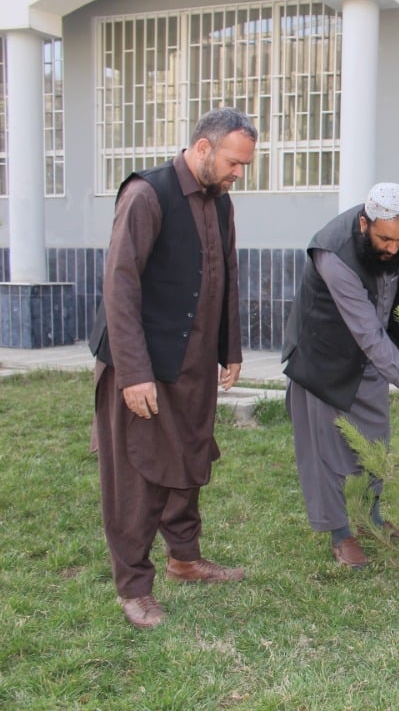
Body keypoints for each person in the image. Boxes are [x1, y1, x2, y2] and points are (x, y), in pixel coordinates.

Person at [89, 107, 257, 629]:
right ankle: (134, 588)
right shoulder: (146, 194)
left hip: (193, 362)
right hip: (142, 362)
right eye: (234, 162)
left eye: (245, 165)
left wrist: (230, 347)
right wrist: (134, 373)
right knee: (136, 474)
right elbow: (120, 286)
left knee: (189, 458)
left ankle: (185, 559)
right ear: (203, 149)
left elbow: (225, 274)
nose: (239, 174)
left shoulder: (220, 203)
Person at [282, 182, 399, 569]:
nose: (393, 248)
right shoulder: (334, 256)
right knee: (327, 451)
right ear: (363, 224)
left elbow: (383, 317)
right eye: (386, 239)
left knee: (374, 437)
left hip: (370, 357)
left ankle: (370, 517)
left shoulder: (389, 237)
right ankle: (341, 533)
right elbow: (367, 331)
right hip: (322, 356)